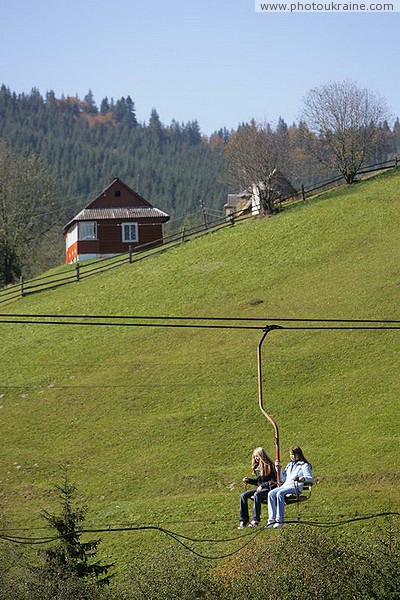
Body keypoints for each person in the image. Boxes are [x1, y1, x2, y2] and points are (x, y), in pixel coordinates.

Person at [266, 445, 313, 529]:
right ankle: (271, 519)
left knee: (280, 493)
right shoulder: (289, 465)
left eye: (294, 454)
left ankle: (280, 519)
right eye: (291, 454)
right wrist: (278, 469)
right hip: (286, 486)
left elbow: (309, 478)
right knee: (271, 493)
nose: (292, 456)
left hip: (295, 487)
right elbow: (283, 478)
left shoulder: (304, 465)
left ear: (299, 454)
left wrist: (302, 479)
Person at [238, 447, 277, 529]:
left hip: (270, 489)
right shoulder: (257, 467)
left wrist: (263, 486)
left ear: (262, 456)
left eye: (257, 456)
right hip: (261, 488)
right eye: (255, 457)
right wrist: (249, 480)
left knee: (257, 494)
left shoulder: (270, 466)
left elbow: (273, 481)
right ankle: (243, 520)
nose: (256, 458)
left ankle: (256, 519)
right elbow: (258, 482)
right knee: (243, 495)